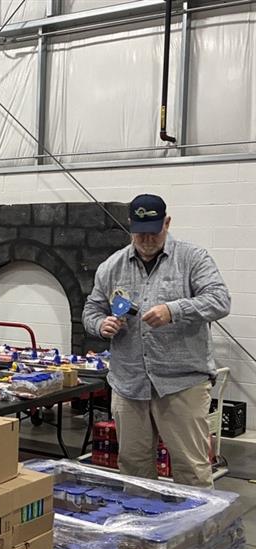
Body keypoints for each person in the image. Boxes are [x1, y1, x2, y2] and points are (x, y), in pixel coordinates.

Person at [83, 194, 230, 488]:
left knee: (191, 469)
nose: (147, 239)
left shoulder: (192, 258)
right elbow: (91, 310)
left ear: (167, 223)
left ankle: (195, 520)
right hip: (129, 385)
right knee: (133, 468)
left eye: (154, 231)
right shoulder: (111, 267)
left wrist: (174, 310)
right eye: (140, 233)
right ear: (130, 226)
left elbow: (219, 300)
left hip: (182, 384)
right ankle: (140, 518)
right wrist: (101, 324)